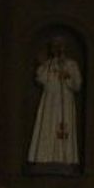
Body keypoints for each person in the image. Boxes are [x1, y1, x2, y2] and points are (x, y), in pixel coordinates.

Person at [27, 37, 82, 166]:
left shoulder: (71, 64)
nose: (58, 48)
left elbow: (77, 84)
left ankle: (65, 159)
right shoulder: (48, 64)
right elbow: (40, 78)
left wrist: (66, 75)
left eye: (60, 45)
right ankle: (45, 158)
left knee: (64, 129)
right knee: (48, 128)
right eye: (55, 45)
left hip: (65, 103)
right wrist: (42, 64)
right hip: (50, 103)